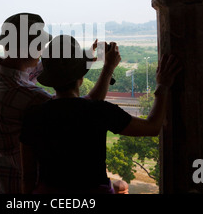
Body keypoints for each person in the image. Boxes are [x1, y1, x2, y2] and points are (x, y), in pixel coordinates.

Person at [0, 13, 119, 194]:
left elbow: (37, 71)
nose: (42, 50)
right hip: (15, 185)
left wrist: (82, 60)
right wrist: (108, 70)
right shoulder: (31, 98)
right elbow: (84, 108)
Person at [19, 35, 181, 194]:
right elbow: (152, 128)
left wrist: (108, 68)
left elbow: (28, 178)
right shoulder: (99, 111)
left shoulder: (33, 116)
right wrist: (163, 86)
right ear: (81, 77)